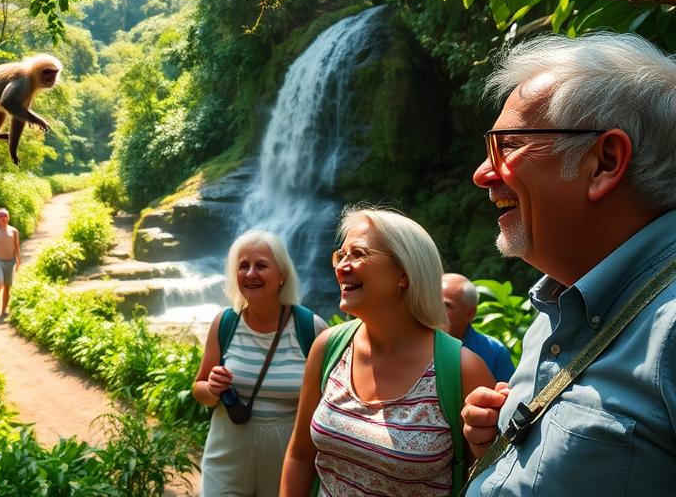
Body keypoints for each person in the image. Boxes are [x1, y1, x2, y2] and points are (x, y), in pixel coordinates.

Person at [462, 33, 676, 496]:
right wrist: (505, 449)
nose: (482, 173)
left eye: (510, 144)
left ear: (605, 161)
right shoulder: (560, 301)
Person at [281, 207, 494, 497]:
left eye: (358, 254)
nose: (342, 266)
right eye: (340, 255)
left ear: (403, 273)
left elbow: (487, 478)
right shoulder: (329, 347)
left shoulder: (462, 370)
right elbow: (300, 455)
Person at [192, 230, 327, 497]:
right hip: (227, 458)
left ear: (281, 276)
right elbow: (199, 390)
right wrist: (213, 389)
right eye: (243, 266)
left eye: (261, 265)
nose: (250, 273)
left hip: (287, 462)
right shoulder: (225, 323)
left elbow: (328, 404)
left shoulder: (310, 328)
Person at [442, 273, 515, 383]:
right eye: (432, 303)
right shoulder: (416, 345)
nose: (434, 310)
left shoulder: (494, 352)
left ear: (470, 314)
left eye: (446, 306)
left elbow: (509, 396)